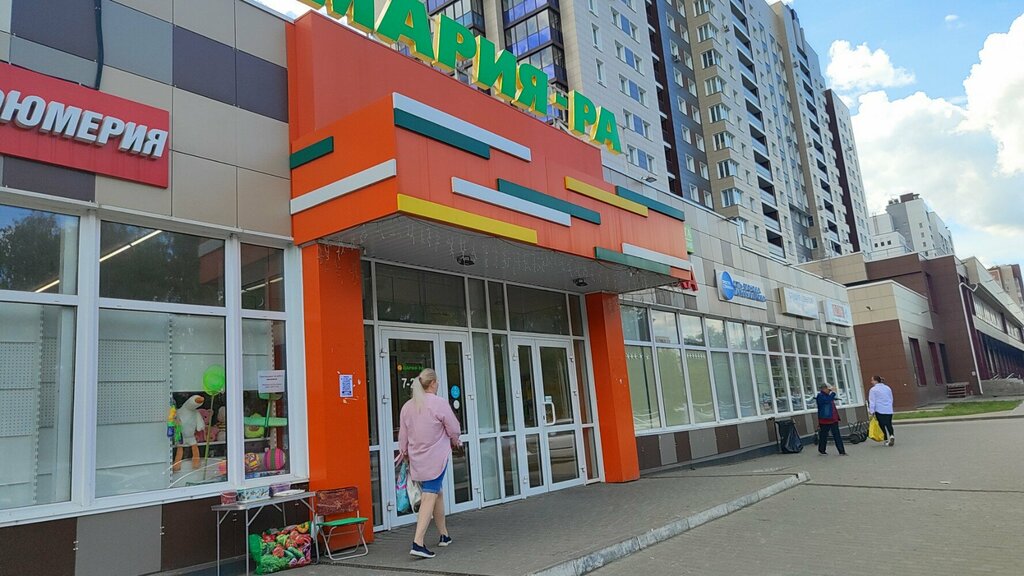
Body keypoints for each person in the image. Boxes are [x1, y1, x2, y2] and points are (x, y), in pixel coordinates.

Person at [397, 368, 462, 559]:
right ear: (432, 383)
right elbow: (454, 428)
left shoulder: (408, 406)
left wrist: (404, 453)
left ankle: (444, 535)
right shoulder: (439, 403)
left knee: (437, 493)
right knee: (429, 496)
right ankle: (418, 542)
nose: (438, 383)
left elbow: (403, 436)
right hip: (436, 458)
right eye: (437, 381)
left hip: (417, 459)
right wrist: (456, 441)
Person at [815, 383, 847, 455]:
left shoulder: (828, 396)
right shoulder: (820, 396)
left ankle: (842, 451)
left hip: (833, 419)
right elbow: (826, 401)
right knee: (823, 436)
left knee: (837, 436)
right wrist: (833, 393)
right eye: (829, 390)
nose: (829, 391)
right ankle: (822, 450)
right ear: (824, 389)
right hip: (825, 420)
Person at [868, 375, 895, 446]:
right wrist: (890, 406)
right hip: (888, 409)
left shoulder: (873, 390)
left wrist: (871, 411)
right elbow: (891, 398)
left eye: (872, 380)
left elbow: (872, 401)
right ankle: (891, 435)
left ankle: (886, 439)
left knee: (882, 425)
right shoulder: (887, 388)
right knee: (889, 424)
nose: (871, 382)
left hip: (879, 409)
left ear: (876, 381)